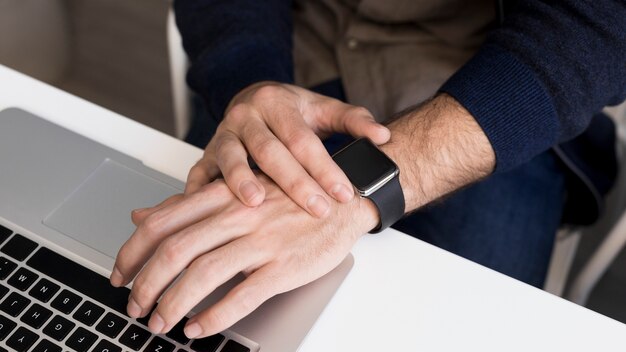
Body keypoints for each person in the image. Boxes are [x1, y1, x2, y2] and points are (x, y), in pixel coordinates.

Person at [110, 0, 626, 340]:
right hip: (288, 50)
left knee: (461, 332)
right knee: (165, 290)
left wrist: (353, 193)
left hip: (495, 87)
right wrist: (249, 82)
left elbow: (603, 26)